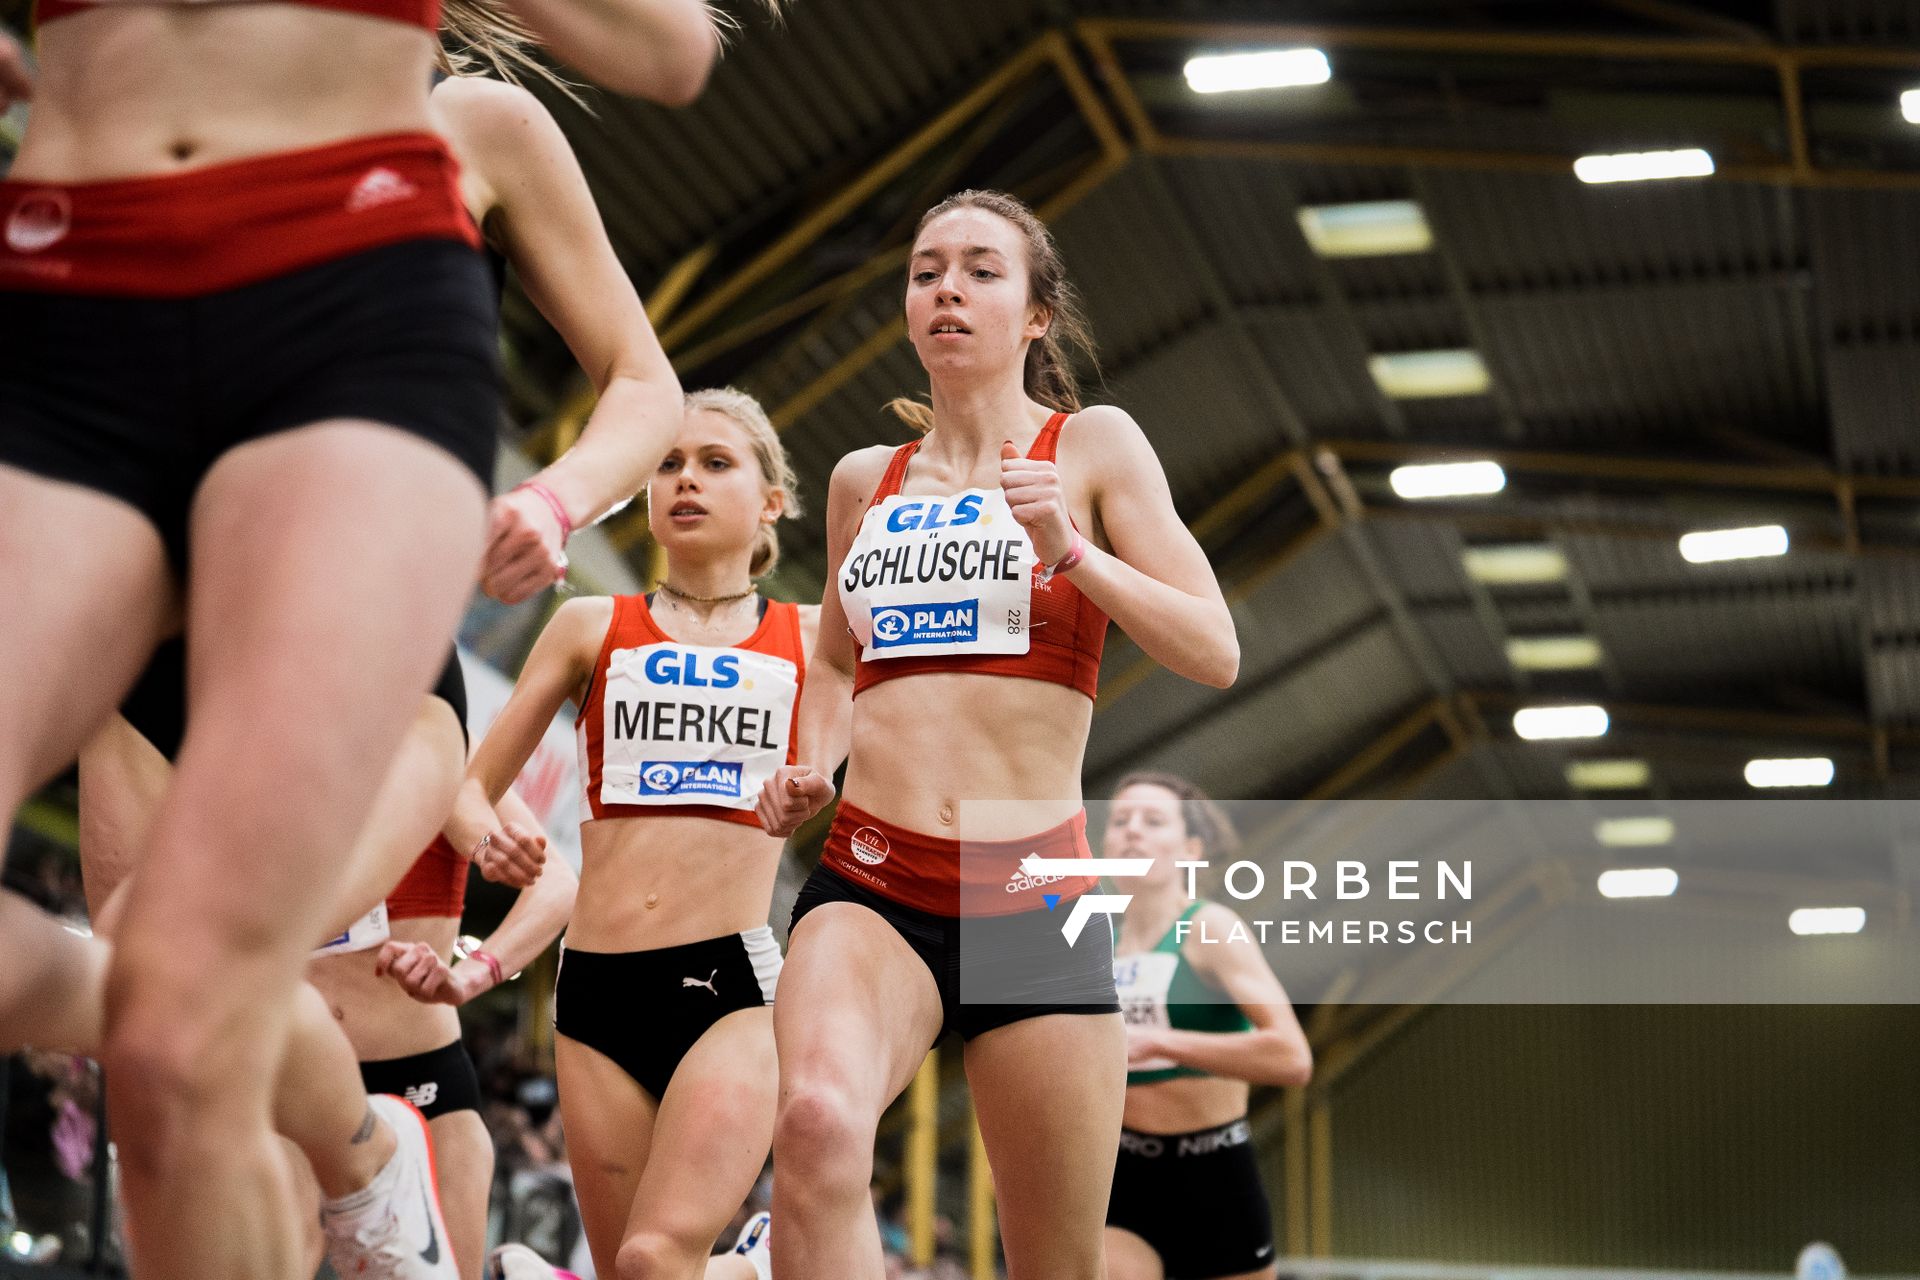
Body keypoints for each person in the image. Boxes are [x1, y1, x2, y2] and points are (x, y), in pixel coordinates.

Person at [0, 0, 738, 1269]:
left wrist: (554, 498)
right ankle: (358, 1151)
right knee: (156, 1021)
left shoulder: (478, 124)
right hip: (83, 306)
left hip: (344, 334)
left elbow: (671, 52)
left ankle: (355, 1158)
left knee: (181, 1035)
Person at [756, 188, 1239, 1280]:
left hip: (1032, 888)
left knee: (1054, 1261)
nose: (947, 290)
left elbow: (1214, 647)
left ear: (1033, 315)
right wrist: (810, 762)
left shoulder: (1094, 446)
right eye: (927, 270)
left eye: (980, 269)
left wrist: (1072, 548)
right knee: (819, 1123)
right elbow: (833, 661)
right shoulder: (860, 483)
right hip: (872, 875)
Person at [453, 388, 813, 1280]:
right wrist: (486, 838)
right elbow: (470, 791)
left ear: (771, 500)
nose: (684, 480)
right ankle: (744, 1271)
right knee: (634, 1272)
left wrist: (817, 785)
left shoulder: (812, 639)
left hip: (730, 990)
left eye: (715, 463)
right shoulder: (589, 626)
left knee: (655, 1259)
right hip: (597, 994)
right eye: (667, 464)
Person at [1101, 773, 1312, 1280]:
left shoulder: (1211, 928)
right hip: (1120, 1172)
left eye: (1153, 821)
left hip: (1213, 1174)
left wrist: (1158, 1042)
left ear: (1191, 849)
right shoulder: (1089, 936)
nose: (1133, 831)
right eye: (1120, 821)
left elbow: (1291, 1056)